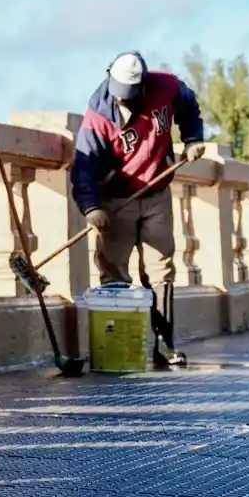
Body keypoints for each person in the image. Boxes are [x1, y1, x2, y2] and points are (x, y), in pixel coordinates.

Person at [69, 50, 205, 366]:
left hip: (156, 190)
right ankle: (115, 346)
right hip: (116, 200)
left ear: (143, 84)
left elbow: (190, 105)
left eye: (130, 98)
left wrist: (192, 138)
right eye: (120, 98)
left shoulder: (168, 87)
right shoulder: (98, 115)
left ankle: (163, 345)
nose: (124, 104)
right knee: (114, 268)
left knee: (160, 268)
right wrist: (91, 207)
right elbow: (84, 166)